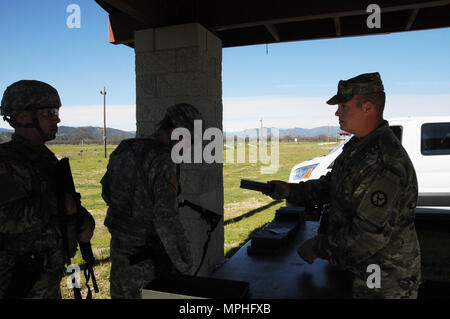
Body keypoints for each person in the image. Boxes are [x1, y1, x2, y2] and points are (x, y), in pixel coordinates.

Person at [264, 72, 421, 299]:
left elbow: (368, 236)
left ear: (368, 108)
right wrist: (291, 190)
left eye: (343, 107)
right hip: (357, 265)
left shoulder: (385, 161)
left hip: (381, 276)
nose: (337, 112)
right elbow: (333, 184)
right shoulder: (360, 146)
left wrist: (317, 247)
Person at [0, 80, 95, 299]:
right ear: (23, 116)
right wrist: (56, 204)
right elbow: (6, 218)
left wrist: (82, 219)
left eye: (57, 111)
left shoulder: (45, 158)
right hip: (17, 282)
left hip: (48, 276)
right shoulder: (7, 161)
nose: (58, 119)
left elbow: (65, 203)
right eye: (49, 112)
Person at [101, 103, 202, 299]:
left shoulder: (124, 148)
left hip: (119, 255)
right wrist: (184, 264)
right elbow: (166, 219)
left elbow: (107, 192)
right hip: (146, 263)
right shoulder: (162, 161)